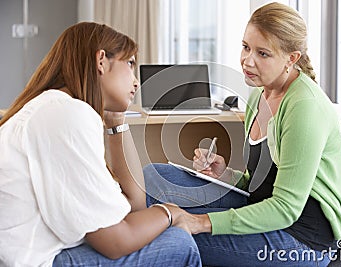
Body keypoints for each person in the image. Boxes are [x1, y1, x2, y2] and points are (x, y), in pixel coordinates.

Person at [144, 2, 341, 266]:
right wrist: (224, 174)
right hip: (262, 209)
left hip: (299, 239)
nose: (247, 61)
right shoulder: (258, 95)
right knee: (154, 177)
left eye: (263, 53)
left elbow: (285, 208)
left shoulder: (304, 107)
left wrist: (200, 222)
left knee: (173, 238)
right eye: (246, 47)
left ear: (292, 58)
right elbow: (259, 183)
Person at [0, 22, 201, 267]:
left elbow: (133, 208)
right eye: (130, 64)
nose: (136, 82)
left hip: (44, 252)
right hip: (39, 261)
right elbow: (116, 241)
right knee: (179, 243)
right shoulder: (65, 114)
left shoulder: (56, 107)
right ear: (101, 61)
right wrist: (171, 212)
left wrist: (116, 122)